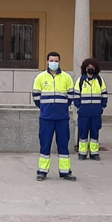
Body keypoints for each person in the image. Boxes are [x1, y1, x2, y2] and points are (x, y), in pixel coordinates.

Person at [32, 52, 76, 181]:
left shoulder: (67, 78)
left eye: (56, 60)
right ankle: (42, 171)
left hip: (62, 118)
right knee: (45, 144)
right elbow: (36, 97)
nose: (54, 63)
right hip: (46, 118)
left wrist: (60, 107)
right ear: (47, 62)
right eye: (51, 60)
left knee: (63, 144)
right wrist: (46, 108)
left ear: (59, 61)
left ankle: (65, 171)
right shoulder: (40, 78)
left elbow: (71, 97)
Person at [73, 58, 107, 161]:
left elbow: (104, 95)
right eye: (88, 67)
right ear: (85, 68)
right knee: (83, 133)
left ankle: (94, 153)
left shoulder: (100, 81)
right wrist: (79, 107)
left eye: (92, 67)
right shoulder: (80, 81)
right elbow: (76, 96)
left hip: (96, 113)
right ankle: (82, 153)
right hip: (84, 113)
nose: (90, 68)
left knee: (95, 133)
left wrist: (102, 107)